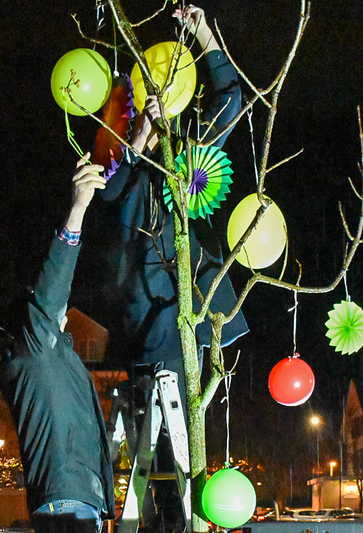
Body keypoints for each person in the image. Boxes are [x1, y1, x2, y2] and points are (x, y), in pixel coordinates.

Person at [0, 159, 114, 533]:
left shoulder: (51, 357)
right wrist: (76, 212)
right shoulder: (32, 351)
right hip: (66, 508)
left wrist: (132, 145)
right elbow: (52, 286)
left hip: (74, 503)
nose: (64, 310)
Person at [99, 4, 248, 389]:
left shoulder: (189, 156)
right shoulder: (121, 158)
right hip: (142, 314)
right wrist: (141, 134)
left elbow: (231, 102)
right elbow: (108, 191)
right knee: (147, 432)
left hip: (189, 307)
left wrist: (204, 35)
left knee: (183, 430)